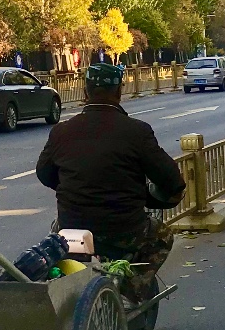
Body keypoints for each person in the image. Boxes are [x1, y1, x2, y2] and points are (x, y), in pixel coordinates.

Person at [35, 61, 185, 301]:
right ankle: (131, 289)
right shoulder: (137, 131)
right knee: (162, 237)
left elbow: (44, 173)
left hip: (72, 227)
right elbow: (172, 181)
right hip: (124, 228)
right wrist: (149, 197)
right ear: (119, 91)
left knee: (57, 233)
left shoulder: (62, 131)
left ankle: (70, 286)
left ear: (85, 92)